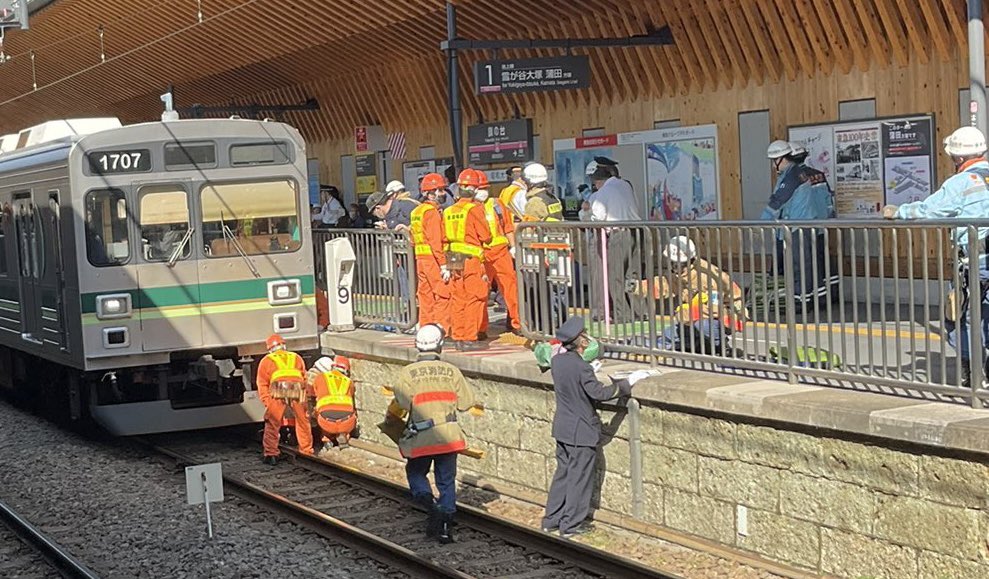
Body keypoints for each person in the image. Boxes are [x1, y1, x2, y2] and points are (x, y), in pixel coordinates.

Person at [882, 126, 989, 387]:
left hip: (975, 262)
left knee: (958, 316)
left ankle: (972, 374)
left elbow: (930, 210)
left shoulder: (961, 182)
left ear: (957, 157)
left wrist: (897, 212)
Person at [541, 316, 651, 538]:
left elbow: (574, 381)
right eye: (585, 335)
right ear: (580, 341)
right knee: (579, 477)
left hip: (563, 427)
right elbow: (599, 394)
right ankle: (571, 524)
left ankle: (551, 520)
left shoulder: (558, 362)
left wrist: (589, 368)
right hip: (580, 430)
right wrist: (626, 384)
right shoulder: (581, 368)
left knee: (562, 474)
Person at [386, 324, 480, 543]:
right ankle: (446, 526)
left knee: (416, 473)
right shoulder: (452, 371)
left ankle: (430, 505)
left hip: (421, 438)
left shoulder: (407, 373)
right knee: (446, 481)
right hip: (448, 437)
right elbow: (466, 403)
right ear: (440, 346)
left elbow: (402, 403)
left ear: (417, 346)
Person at [762, 140, 837, 313]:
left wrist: (762, 222)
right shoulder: (808, 174)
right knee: (814, 262)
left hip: (796, 226)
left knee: (799, 265)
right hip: (814, 224)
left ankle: (800, 301)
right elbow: (827, 202)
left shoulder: (791, 176)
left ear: (781, 159)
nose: (774, 166)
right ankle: (818, 298)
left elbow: (777, 201)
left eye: (774, 161)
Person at [640, 236, 748, 354]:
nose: (674, 266)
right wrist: (637, 287)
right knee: (667, 336)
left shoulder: (708, 277)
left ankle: (719, 346)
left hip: (725, 316)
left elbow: (712, 310)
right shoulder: (682, 275)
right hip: (696, 319)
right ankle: (696, 343)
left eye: (677, 263)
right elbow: (663, 284)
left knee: (704, 325)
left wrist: (683, 314)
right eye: (672, 262)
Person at [587, 157, 642, 324]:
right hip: (636, 231)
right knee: (632, 275)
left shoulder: (603, 192)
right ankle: (639, 311)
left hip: (618, 235)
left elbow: (597, 218)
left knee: (615, 277)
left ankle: (622, 314)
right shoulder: (625, 185)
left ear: (598, 180)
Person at [443, 169, 492, 351]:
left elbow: (443, 237)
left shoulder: (448, 211)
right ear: (474, 189)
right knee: (474, 298)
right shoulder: (475, 209)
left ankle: (458, 336)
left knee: (457, 298)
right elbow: (486, 236)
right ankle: (469, 338)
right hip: (471, 260)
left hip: (453, 259)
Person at [472, 172, 521, 335]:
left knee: (510, 288)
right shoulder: (469, 208)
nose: (483, 191)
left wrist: (513, 246)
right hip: (481, 255)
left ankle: (517, 323)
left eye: (485, 188)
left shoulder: (497, 204)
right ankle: (480, 327)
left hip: (500, 252)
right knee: (480, 291)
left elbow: (507, 226)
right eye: (480, 188)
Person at [256, 334, 314, 464]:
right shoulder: (296, 357)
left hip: (278, 387)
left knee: (273, 421)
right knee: (303, 421)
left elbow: (262, 383)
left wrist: (267, 401)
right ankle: (306, 451)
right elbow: (304, 378)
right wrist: (304, 399)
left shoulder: (266, 360)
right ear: (284, 345)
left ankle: (271, 455)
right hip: (297, 387)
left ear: (270, 348)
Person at [410, 172, 452, 331]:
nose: (443, 194)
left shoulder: (417, 212)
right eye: (440, 190)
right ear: (430, 194)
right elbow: (435, 241)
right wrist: (443, 264)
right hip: (432, 258)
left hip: (420, 258)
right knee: (443, 293)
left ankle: (426, 328)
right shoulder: (431, 212)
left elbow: (413, 238)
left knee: (425, 295)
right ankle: (443, 329)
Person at [308, 355, 358, 451]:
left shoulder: (321, 377)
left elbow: (314, 394)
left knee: (319, 410)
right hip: (347, 423)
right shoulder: (349, 382)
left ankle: (326, 438)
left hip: (326, 423)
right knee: (349, 412)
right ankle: (344, 435)